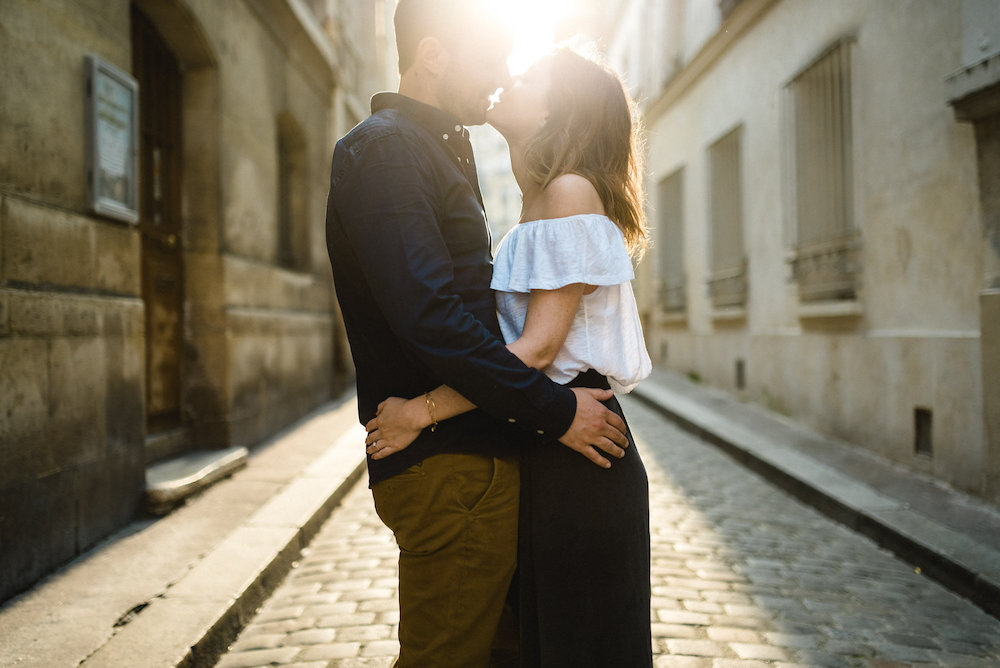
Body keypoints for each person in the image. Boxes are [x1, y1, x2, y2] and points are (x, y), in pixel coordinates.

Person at [324, 1, 631, 666]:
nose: (500, 75)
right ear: (434, 55)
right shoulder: (390, 150)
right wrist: (550, 411)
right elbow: (433, 319)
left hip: (486, 451)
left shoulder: (433, 153)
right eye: (491, 59)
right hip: (452, 463)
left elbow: (514, 333)